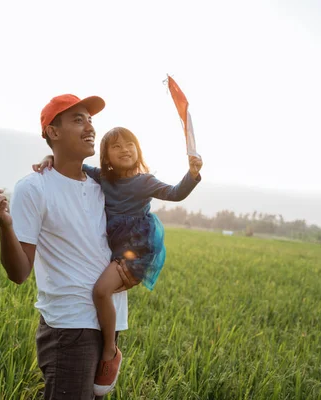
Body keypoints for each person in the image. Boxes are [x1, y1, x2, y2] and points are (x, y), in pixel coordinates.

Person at [0, 94, 139, 400]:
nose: (89, 126)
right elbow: (19, 272)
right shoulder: (34, 187)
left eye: (90, 120)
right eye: (78, 120)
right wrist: (4, 224)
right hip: (70, 326)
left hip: (110, 322)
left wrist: (136, 267)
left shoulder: (103, 187)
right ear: (53, 132)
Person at [33, 126, 203, 395]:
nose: (125, 149)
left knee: (101, 291)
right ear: (106, 156)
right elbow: (71, 166)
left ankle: (109, 350)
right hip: (116, 251)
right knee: (104, 291)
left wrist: (192, 174)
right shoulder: (101, 177)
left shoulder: (144, 181)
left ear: (139, 150)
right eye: (116, 146)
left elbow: (175, 193)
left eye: (130, 145)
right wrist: (48, 160)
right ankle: (105, 347)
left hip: (137, 250)